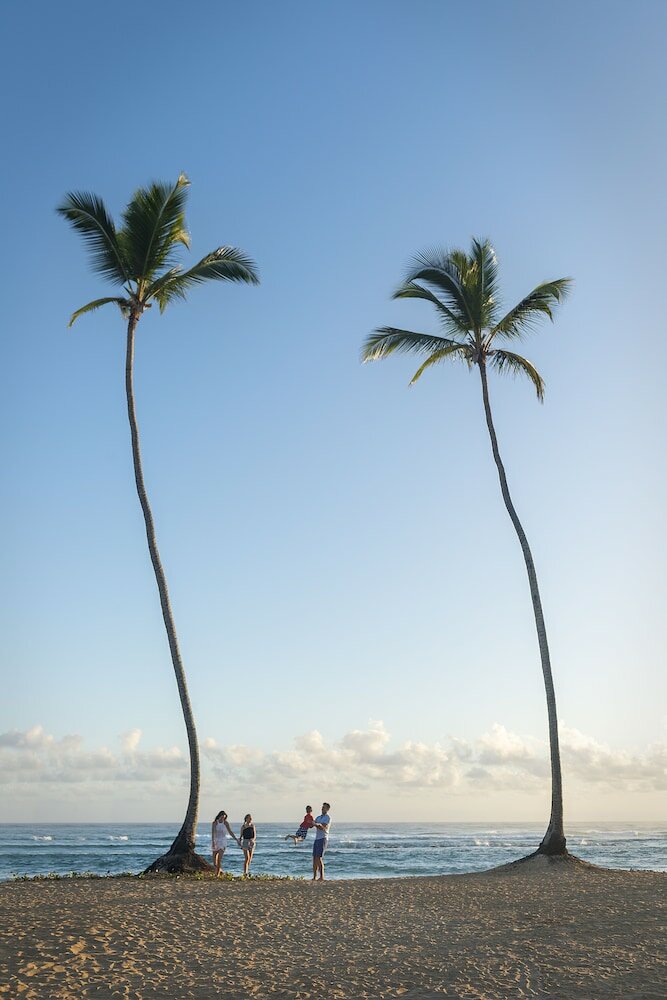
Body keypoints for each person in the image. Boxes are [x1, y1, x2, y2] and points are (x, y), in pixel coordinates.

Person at [211, 810, 238, 877]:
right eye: (222, 817)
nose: (222, 818)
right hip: (216, 841)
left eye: (224, 817)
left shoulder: (225, 823)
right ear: (219, 816)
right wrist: (213, 842)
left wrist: (236, 839)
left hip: (223, 842)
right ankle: (219, 870)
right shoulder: (215, 823)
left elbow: (230, 832)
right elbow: (213, 833)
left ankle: (217, 875)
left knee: (219, 859)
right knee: (214, 861)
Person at [312, 802, 331, 881]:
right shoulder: (318, 817)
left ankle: (322, 877)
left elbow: (323, 827)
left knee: (319, 858)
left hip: (323, 838)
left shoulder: (327, 817)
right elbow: (312, 824)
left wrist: (315, 824)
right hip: (317, 839)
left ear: (327, 809)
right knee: (314, 858)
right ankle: (314, 876)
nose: (322, 809)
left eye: (324, 807)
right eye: (322, 807)